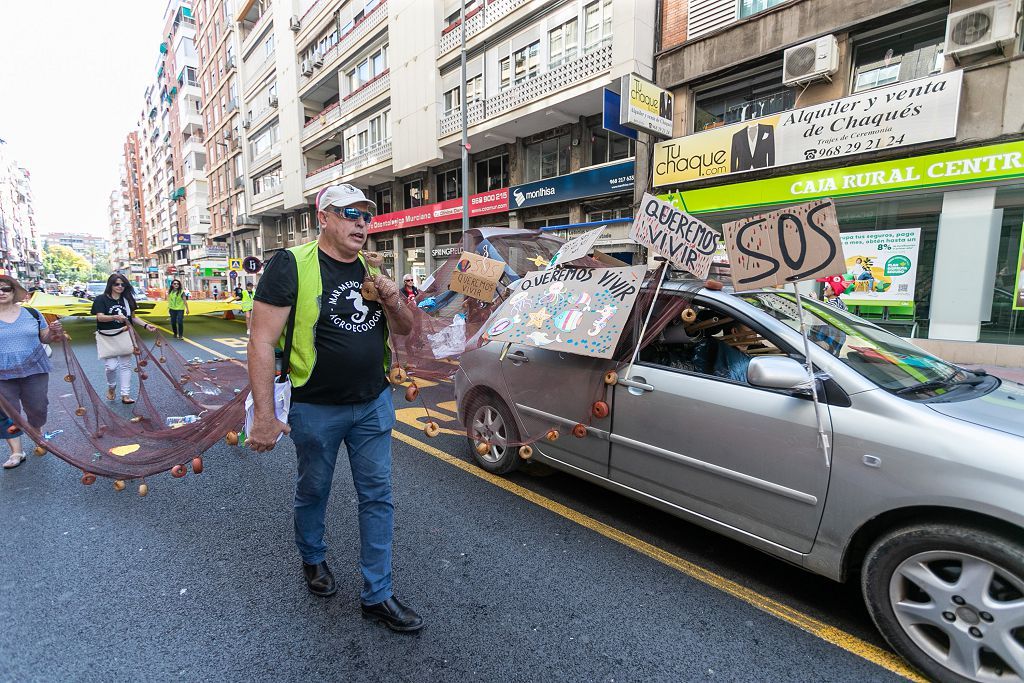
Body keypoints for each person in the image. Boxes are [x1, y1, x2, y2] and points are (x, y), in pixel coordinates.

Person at [246, 183, 420, 632]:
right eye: (350, 213)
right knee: (314, 489)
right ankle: (313, 557)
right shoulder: (292, 265)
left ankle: (377, 594)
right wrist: (265, 416)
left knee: (378, 497)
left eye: (367, 215)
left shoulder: (370, 268)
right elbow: (262, 341)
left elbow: (404, 329)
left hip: (373, 404)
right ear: (323, 218)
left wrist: (389, 295)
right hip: (315, 408)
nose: (362, 222)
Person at [0, 275, 65, 469]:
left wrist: (53, 332)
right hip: (2, 373)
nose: (1, 293)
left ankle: (38, 436)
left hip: (34, 369)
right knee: (7, 411)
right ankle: (16, 452)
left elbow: (44, 338)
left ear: (14, 292)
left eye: (6, 289)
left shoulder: (32, 313)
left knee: (37, 406)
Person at [90, 274, 156, 404]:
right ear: (110, 285)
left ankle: (125, 395)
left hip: (125, 334)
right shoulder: (101, 299)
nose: (120, 287)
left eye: (122, 284)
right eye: (116, 284)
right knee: (111, 367)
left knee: (125, 365)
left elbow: (133, 318)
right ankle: (111, 387)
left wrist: (146, 325)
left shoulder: (127, 300)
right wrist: (115, 317)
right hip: (106, 336)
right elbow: (100, 317)